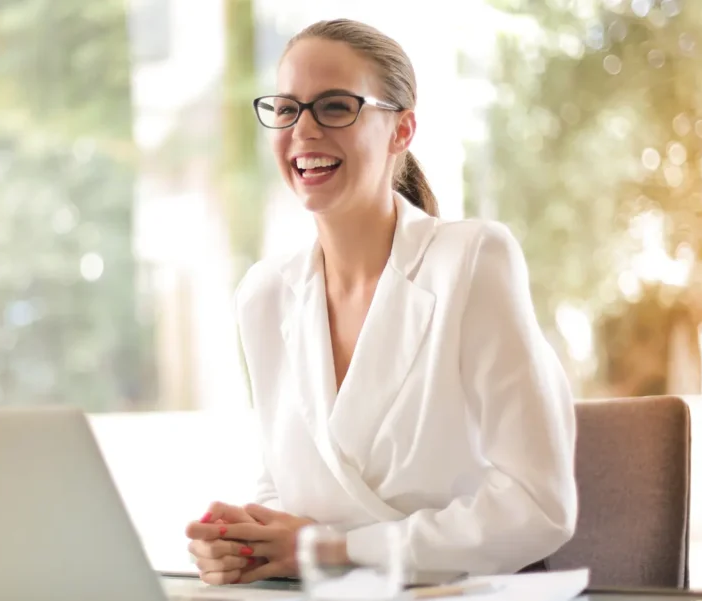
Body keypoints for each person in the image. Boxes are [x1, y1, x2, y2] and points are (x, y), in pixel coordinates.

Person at [183, 18, 578, 585]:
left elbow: (538, 505)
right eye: (287, 109)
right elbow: (282, 487)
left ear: (402, 129)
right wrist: (245, 543)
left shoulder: (471, 261)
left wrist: (332, 548)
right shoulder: (264, 296)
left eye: (335, 107)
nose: (303, 129)